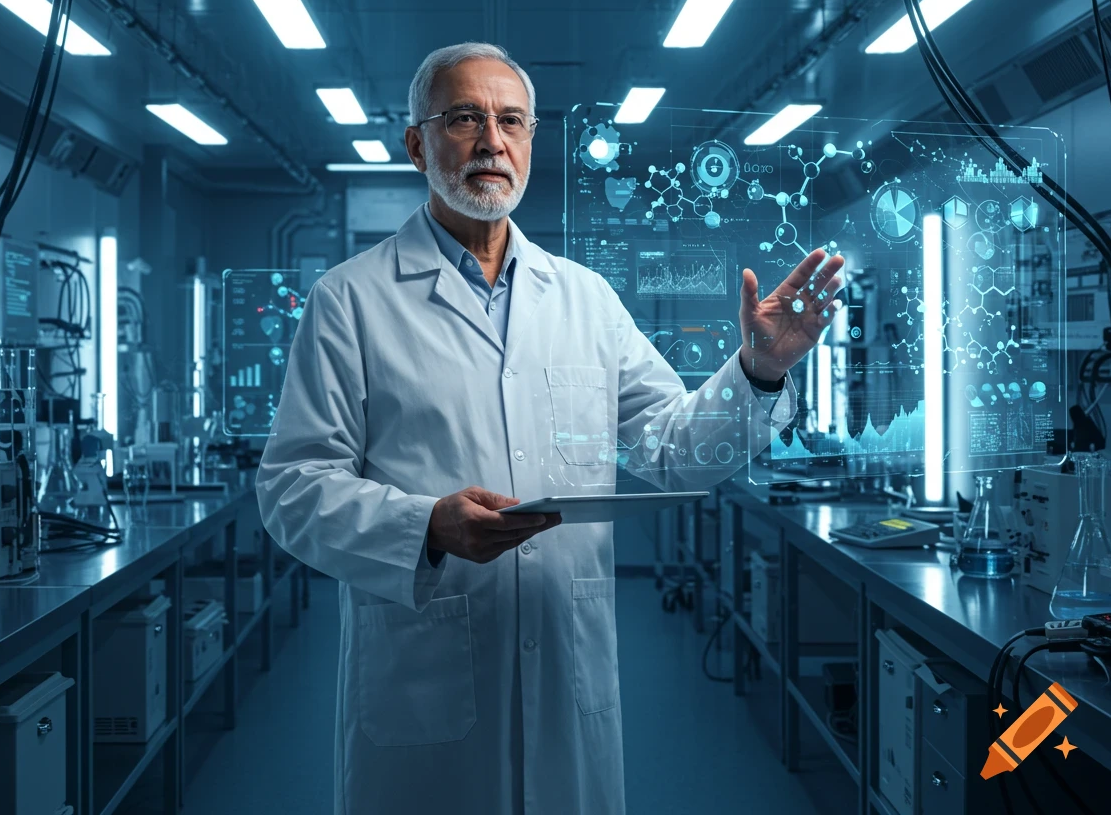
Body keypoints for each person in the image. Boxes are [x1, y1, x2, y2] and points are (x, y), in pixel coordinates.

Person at [256, 42, 845, 814]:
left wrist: (760, 370)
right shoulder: (351, 301)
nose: (491, 141)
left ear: (531, 142)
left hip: (567, 673)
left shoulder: (585, 300)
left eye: (512, 121)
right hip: (421, 687)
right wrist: (425, 526)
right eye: (464, 118)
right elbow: (293, 488)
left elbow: (672, 451)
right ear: (415, 144)